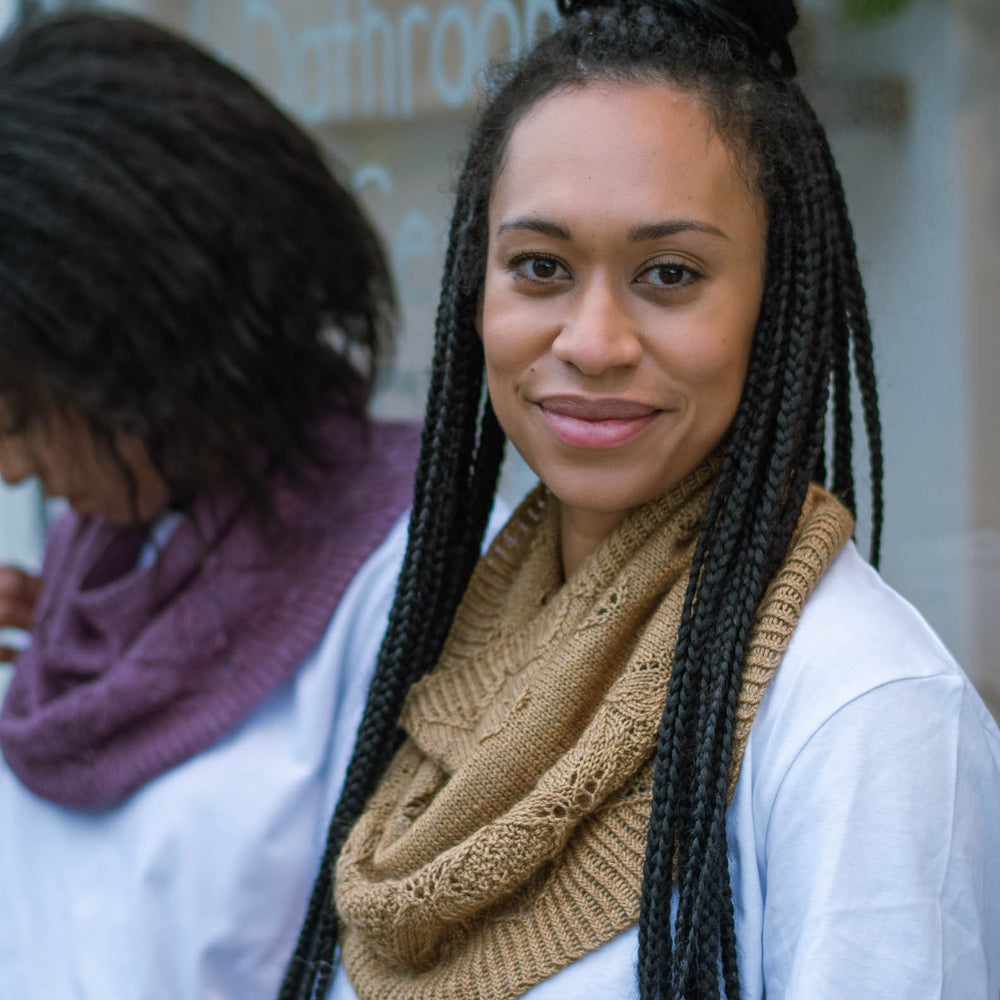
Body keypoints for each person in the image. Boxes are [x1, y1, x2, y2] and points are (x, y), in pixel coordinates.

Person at [277, 0, 1000, 997]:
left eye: (669, 273)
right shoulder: (464, 666)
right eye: (540, 267)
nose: (592, 340)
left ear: (775, 299)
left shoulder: (862, 713)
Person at [0, 11, 422, 998]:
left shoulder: (407, 572)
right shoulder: (95, 562)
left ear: (143, 354)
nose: (11, 468)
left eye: (21, 412)